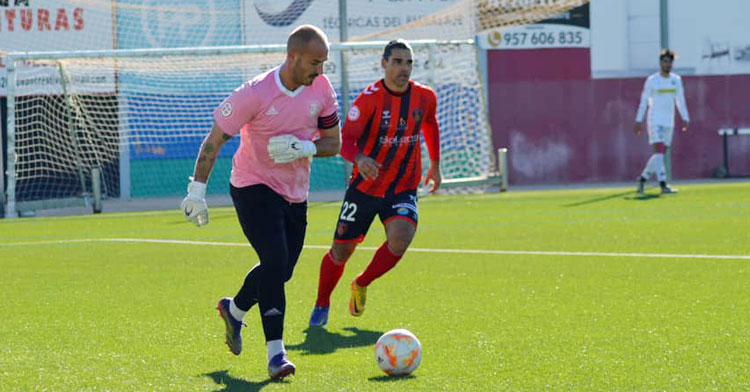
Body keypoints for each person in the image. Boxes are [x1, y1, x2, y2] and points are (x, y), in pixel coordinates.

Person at [179, 25, 340, 379]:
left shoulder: (322, 89)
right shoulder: (255, 93)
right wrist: (196, 192)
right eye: (315, 62)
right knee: (274, 259)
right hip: (252, 186)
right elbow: (214, 140)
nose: (321, 70)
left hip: (295, 194)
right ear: (293, 56)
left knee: (280, 272)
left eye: (324, 62)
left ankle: (234, 310)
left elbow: (334, 142)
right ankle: (276, 355)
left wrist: (307, 147)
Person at [308, 39, 441, 327]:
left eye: (408, 62)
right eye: (397, 61)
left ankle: (362, 282)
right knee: (341, 252)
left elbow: (430, 123)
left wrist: (436, 166)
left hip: (403, 186)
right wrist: (359, 159)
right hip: (365, 189)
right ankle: (321, 304)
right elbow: (344, 142)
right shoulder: (368, 100)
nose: (403, 68)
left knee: (401, 237)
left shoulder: (424, 97)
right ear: (384, 64)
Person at [635, 48, 689, 194]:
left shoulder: (676, 80)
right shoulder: (652, 81)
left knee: (659, 155)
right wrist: (638, 120)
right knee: (658, 152)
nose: (667, 64)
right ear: (660, 63)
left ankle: (642, 179)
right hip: (654, 120)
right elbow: (644, 100)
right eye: (665, 62)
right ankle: (663, 184)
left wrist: (685, 117)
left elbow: (680, 100)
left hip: (668, 122)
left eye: (670, 62)